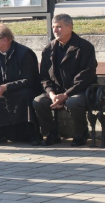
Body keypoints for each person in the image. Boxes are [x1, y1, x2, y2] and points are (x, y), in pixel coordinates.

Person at [33, 13, 97, 147]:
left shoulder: (84, 47)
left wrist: (66, 95)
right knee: (38, 101)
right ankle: (51, 133)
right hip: (56, 91)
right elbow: (44, 76)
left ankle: (81, 133)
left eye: (59, 27)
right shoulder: (48, 49)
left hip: (80, 90)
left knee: (73, 102)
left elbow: (86, 76)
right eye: (53, 27)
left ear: (70, 27)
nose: (55, 31)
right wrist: (52, 94)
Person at [0, 24, 41, 145]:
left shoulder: (24, 53)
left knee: (25, 95)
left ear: (5, 40)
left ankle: (29, 134)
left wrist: (6, 87)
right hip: (3, 89)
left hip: (23, 89)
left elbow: (29, 80)